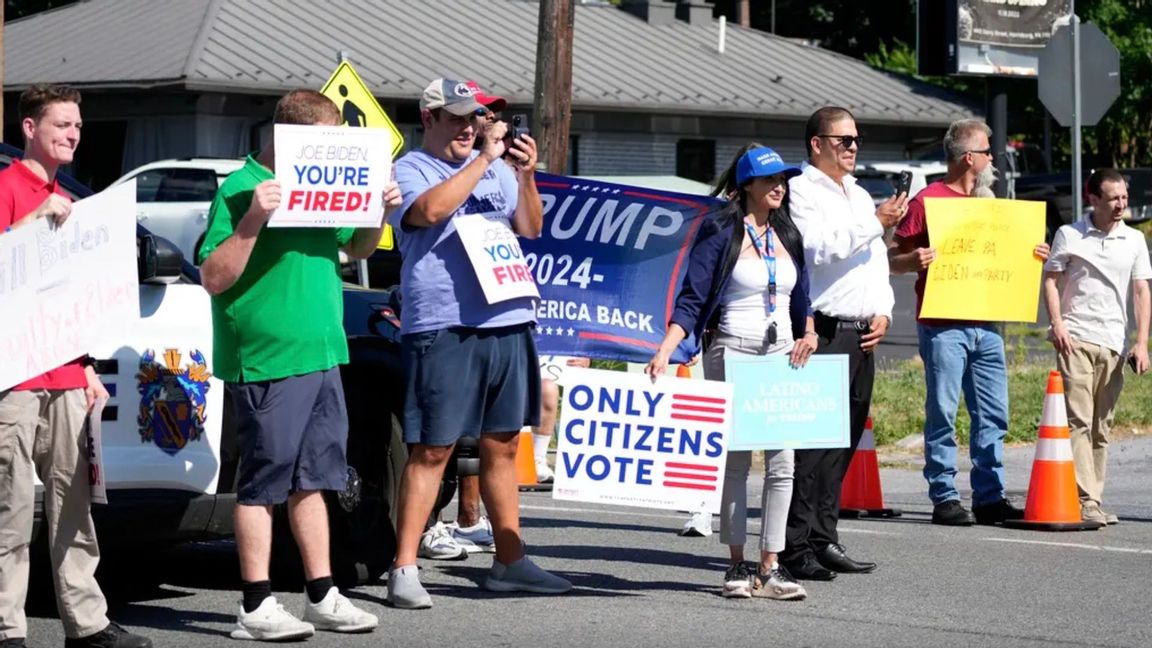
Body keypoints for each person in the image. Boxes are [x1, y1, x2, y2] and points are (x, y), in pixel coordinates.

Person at [198, 89, 392, 641]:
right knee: (263, 483)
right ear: (289, 138)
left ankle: (322, 593)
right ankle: (255, 605)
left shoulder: (319, 186)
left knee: (315, 480)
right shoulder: (241, 189)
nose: (331, 152)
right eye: (323, 141)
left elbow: (357, 250)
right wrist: (255, 218)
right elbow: (212, 277)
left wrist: (380, 209)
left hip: (323, 351)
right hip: (267, 359)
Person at [387, 78, 571, 609]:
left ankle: (509, 562)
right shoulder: (412, 168)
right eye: (458, 117)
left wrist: (525, 174)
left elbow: (530, 227)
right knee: (434, 448)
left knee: (504, 444)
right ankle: (403, 565)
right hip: (445, 322)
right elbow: (428, 213)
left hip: (507, 314)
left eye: (479, 118)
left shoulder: (498, 168)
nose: (471, 126)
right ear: (428, 119)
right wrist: (483, 161)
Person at [0, 84, 152, 648]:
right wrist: (33, 223)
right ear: (31, 129)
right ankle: (7, 628)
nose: (73, 134)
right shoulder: (9, 188)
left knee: (74, 504)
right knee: (11, 507)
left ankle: (86, 624)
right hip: (12, 377)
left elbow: (65, 296)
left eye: (79, 126)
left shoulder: (72, 196)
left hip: (63, 374)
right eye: (62, 124)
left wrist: (86, 366)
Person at [647, 144, 814, 600]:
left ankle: (772, 566)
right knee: (737, 462)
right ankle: (736, 565)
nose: (779, 186)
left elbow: (802, 297)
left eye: (783, 179)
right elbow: (693, 296)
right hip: (731, 352)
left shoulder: (789, 232)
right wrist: (667, 349)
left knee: (783, 464)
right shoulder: (721, 230)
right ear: (746, 187)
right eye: (769, 180)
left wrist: (811, 332)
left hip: (782, 356)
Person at [890, 118, 1047, 527]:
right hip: (943, 325)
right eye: (987, 151)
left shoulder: (989, 205)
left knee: (993, 414)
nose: (993, 158)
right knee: (943, 411)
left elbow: (1005, 257)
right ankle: (944, 496)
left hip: (986, 326)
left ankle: (989, 496)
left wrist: (1031, 254)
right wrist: (914, 260)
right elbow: (892, 256)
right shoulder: (929, 202)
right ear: (967, 158)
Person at [781, 107, 903, 581]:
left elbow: (875, 264)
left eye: (856, 140)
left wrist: (886, 310)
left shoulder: (857, 193)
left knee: (842, 443)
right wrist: (875, 221)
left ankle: (823, 537)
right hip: (824, 330)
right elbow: (818, 249)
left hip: (862, 331)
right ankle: (793, 546)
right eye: (843, 140)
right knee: (811, 446)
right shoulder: (800, 190)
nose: (852, 148)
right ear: (817, 143)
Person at [1042, 168, 1151, 526]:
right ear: (1093, 200)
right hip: (1076, 336)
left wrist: (1141, 343)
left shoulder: (1134, 240)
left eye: (1124, 197)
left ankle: (1094, 498)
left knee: (1101, 425)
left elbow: (1140, 292)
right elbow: (1052, 281)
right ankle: (1085, 500)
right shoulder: (1069, 235)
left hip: (1114, 342)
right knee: (1078, 421)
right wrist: (1057, 325)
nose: (1121, 205)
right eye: (1113, 199)